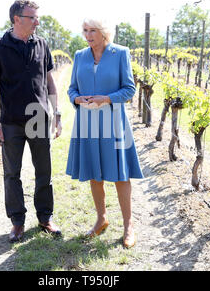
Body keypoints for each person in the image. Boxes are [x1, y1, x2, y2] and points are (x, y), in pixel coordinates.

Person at [0, 0, 62, 243]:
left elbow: (49, 82)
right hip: (11, 121)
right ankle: (17, 222)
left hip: (39, 116)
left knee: (44, 171)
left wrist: (56, 113)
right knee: (12, 174)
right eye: (33, 18)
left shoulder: (42, 44)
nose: (37, 22)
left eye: (37, 17)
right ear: (17, 19)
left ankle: (45, 217)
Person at [66, 18, 144, 248]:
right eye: (85, 31)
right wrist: (76, 98)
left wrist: (107, 98)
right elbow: (72, 88)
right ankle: (101, 219)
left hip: (113, 120)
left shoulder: (120, 53)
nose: (88, 35)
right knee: (94, 172)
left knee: (120, 174)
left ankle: (128, 225)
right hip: (87, 120)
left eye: (93, 31)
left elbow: (129, 88)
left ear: (104, 33)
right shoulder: (80, 56)